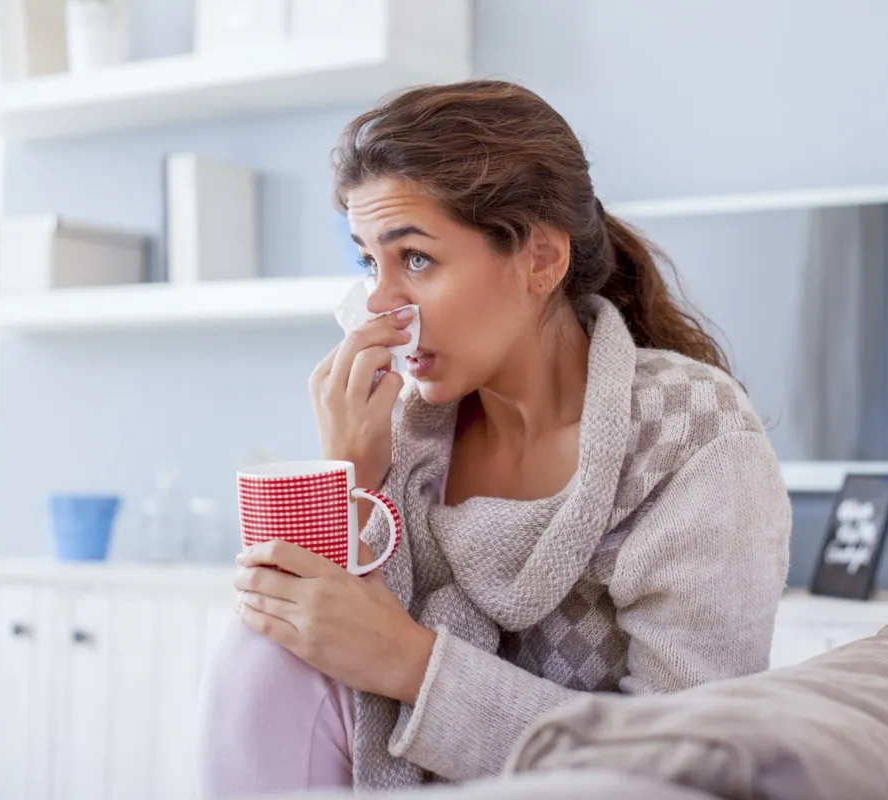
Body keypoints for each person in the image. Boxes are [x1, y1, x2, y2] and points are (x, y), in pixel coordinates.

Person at [197, 79, 791, 798]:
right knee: (264, 644)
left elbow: (688, 762)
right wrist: (349, 474)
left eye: (415, 259)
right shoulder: (407, 427)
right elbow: (320, 643)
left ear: (540, 259)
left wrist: (412, 664)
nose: (377, 307)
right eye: (367, 263)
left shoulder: (691, 436)